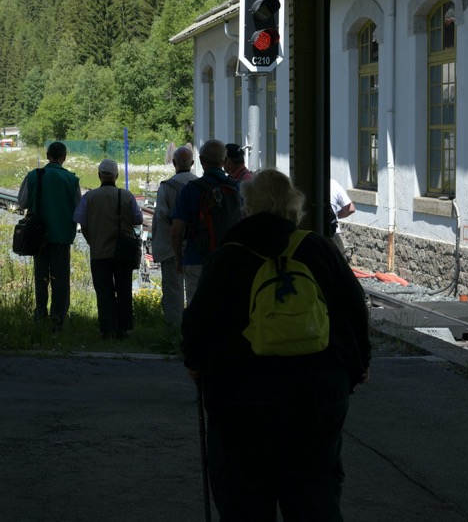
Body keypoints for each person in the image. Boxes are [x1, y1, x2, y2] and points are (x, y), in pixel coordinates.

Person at [181, 169, 371, 520]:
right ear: (293, 207)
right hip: (316, 397)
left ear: (247, 208)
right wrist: (356, 368)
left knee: (245, 500)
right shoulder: (318, 249)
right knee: (314, 494)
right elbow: (353, 310)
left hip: (241, 401)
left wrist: (195, 362)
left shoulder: (227, 257)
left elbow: (198, 324)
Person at [73, 159, 143, 339]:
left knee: (104, 292)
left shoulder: (89, 197)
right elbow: (138, 219)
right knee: (124, 289)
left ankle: (107, 328)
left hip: (99, 251)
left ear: (99, 175)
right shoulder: (126, 196)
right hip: (123, 252)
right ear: (117, 176)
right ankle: (124, 328)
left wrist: (92, 239)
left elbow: (80, 219)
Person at [17, 141, 80, 330]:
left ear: (47, 156)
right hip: (62, 236)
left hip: (38, 235)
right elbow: (79, 209)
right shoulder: (71, 179)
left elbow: (22, 202)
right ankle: (58, 320)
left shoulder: (34, 176)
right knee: (60, 279)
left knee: (41, 277)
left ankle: (40, 316)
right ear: (64, 157)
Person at [171, 140, 241, 306]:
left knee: (198, 310)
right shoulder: (238, 187)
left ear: (201, 161)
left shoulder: (190, 189)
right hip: (229, 258)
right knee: (228, 309)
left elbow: (176, 230)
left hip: (196, 257)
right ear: (225, 161)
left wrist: (179, 258)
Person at [150, 145, 198, 327]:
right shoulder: (199, 185)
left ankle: (174, 330)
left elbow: (161, 218)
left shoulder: (166, 187)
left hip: (172, 248)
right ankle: (195, 329)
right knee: (195, 290)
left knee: (172, 290)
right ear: (192, 163)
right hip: (197, 247)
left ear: (174, 163)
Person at [330, 178, 356, 257]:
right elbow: (350, 209)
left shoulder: (302, 183)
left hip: (308, 236)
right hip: (333, 234)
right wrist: (335, 215)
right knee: (340, 265)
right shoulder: (333, 184)